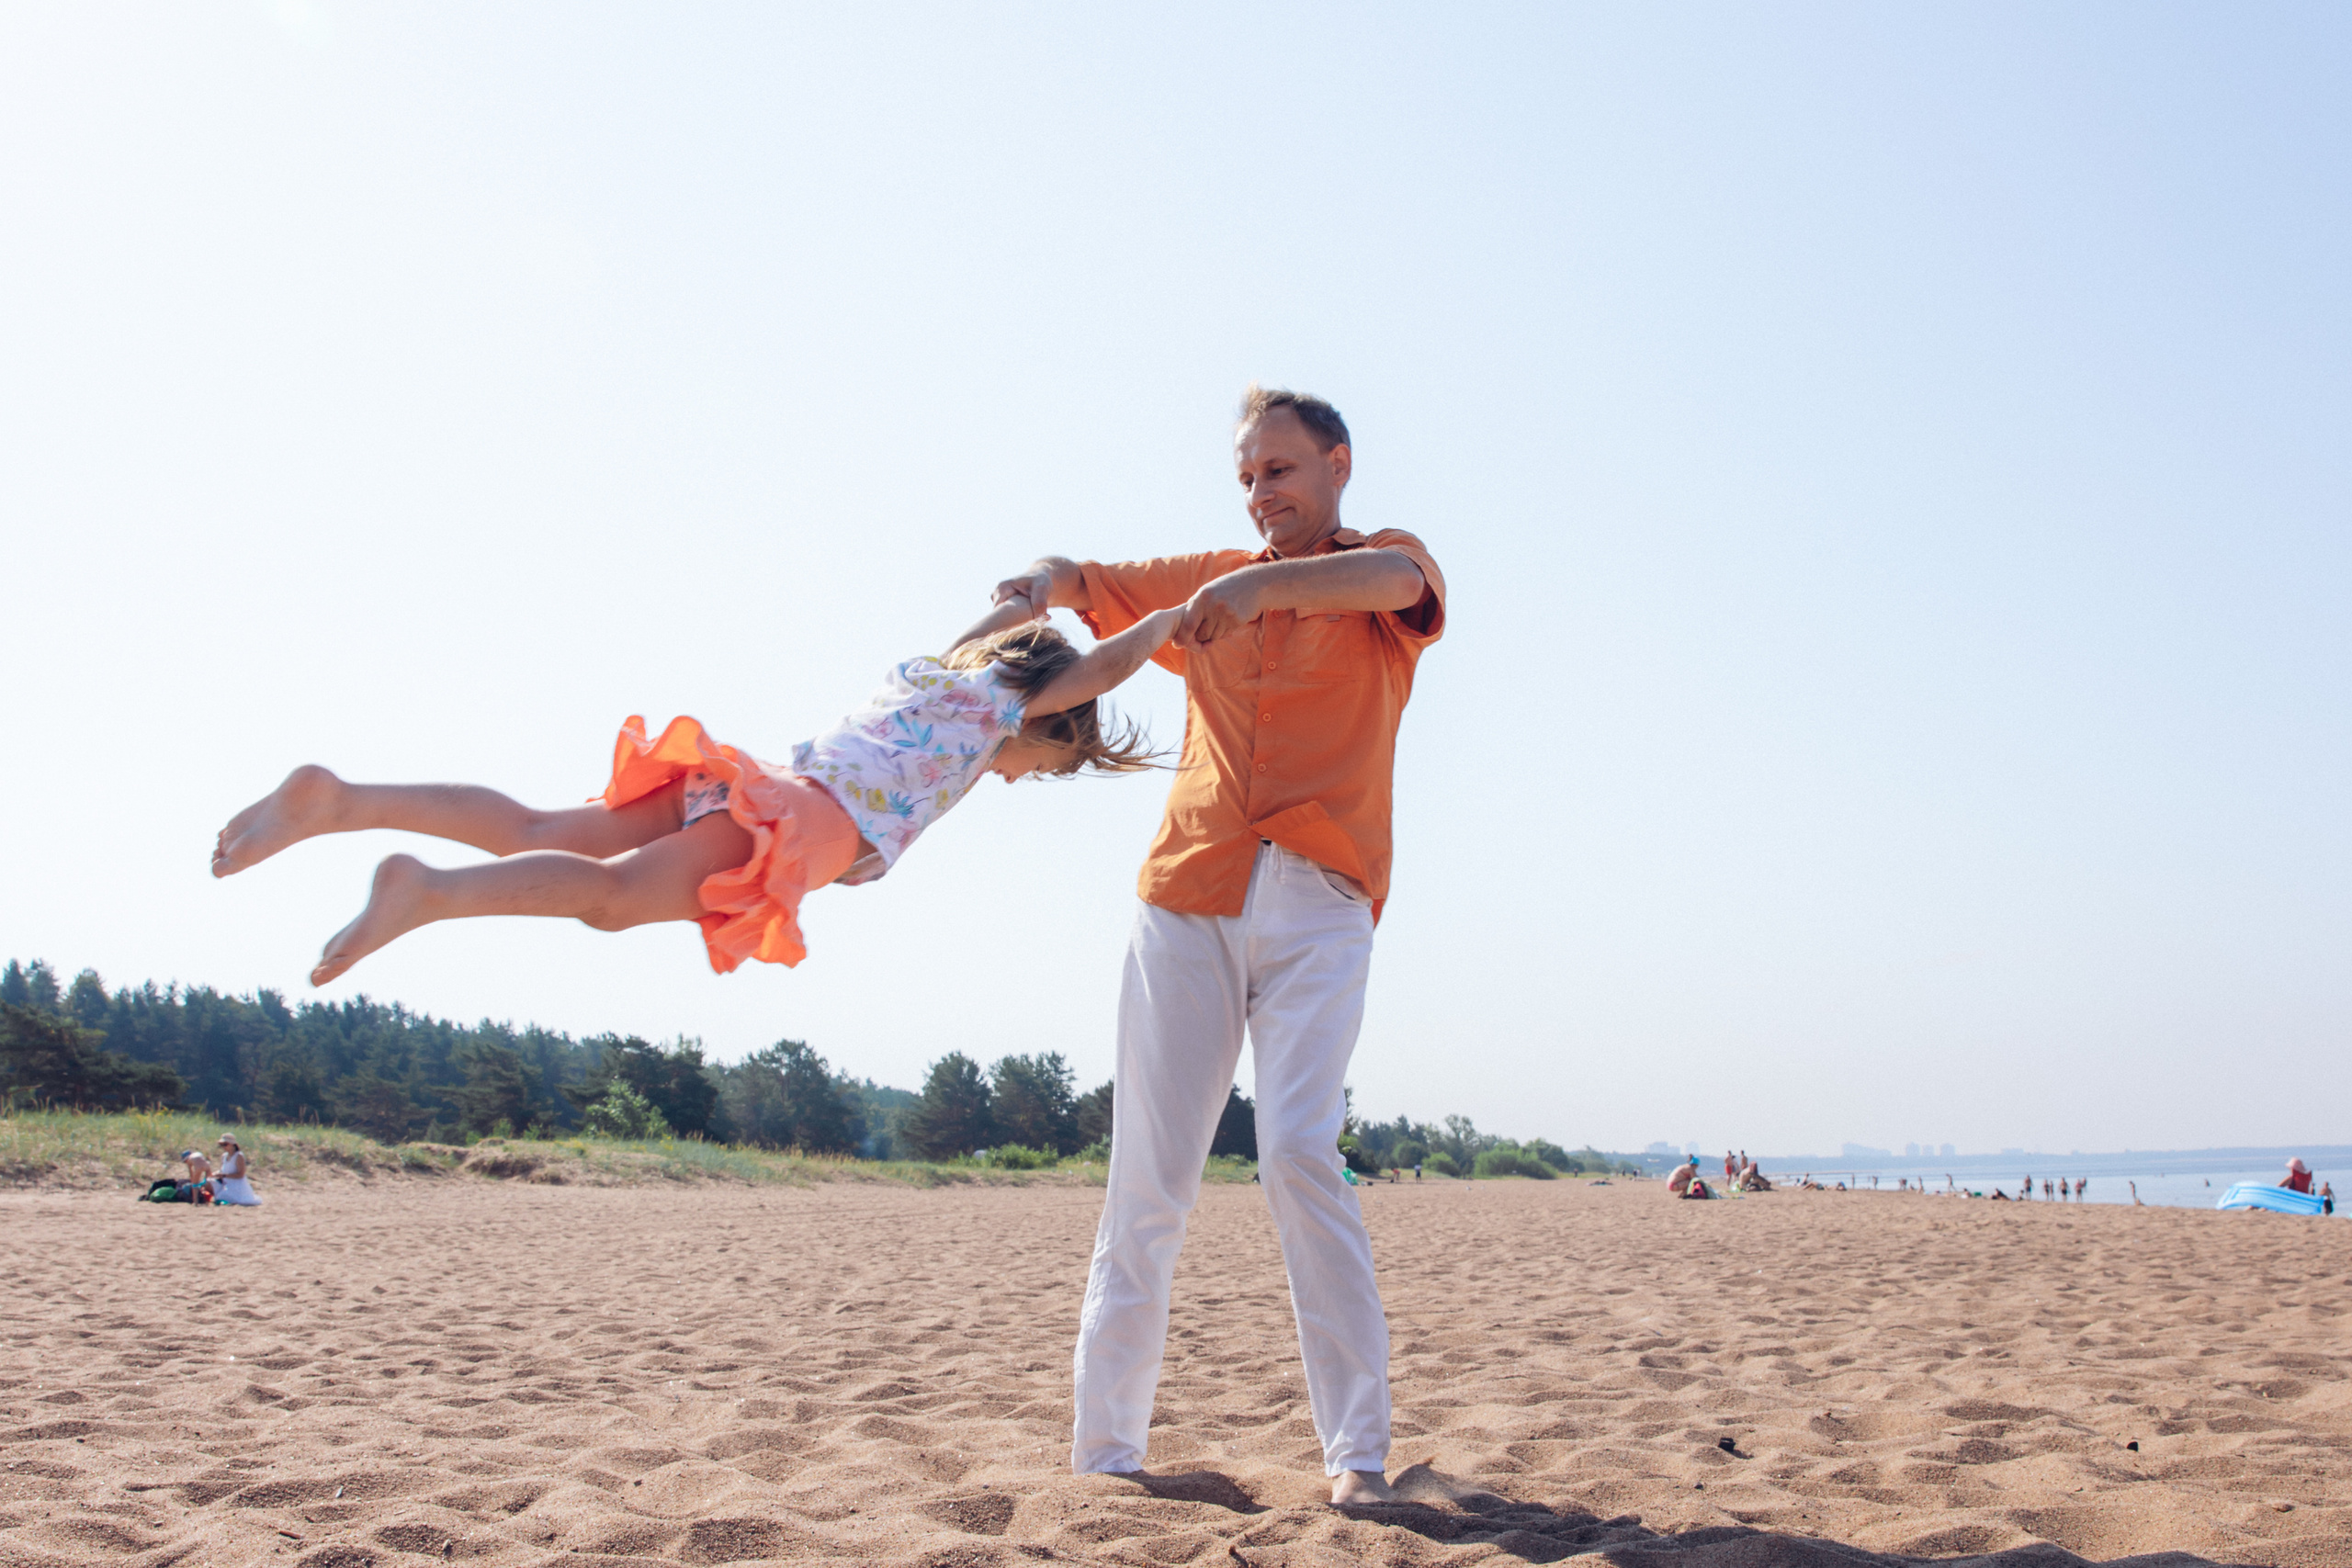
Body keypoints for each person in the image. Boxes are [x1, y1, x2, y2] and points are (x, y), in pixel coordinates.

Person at [995, 386, 1443, 1506]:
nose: (1259, 494)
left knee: (1298, 1153)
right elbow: (1081, 577)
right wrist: (1030, 586)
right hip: (1186, 896)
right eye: (1246, 477)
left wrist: (1253, 591)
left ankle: (1357, 1459)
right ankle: (1105, 1457)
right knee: (1147, 1180)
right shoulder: (1205, 575)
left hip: (1322, 901)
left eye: (1278, 470)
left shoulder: (1384, 567)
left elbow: (1397, 583)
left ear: (1337, 464)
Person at [212, 599, 1179, 981]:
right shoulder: (1002, 714)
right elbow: (1100, 668)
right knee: (614, 897)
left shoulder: (937, 673)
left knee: (541, 824)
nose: (1015, 776)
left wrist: (1031, 590)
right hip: (798, 823)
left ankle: (340, 800)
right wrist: (1178, 619)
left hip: (751, 781)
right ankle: (426, 891)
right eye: (1043, 765)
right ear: (1049, 722)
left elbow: (995, 622)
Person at [211, 1135, 261, 1207]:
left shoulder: (239, 1156)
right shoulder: (224, 1156)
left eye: (225, 1144)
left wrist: (224, 1175)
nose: (223, 1147)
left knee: (225, 1197)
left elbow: (241, 1174)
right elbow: (222, 1170)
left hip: (237, 1185)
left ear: (232, 1144)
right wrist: (216, 1174)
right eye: (221, 1145)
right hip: (226, 1183)